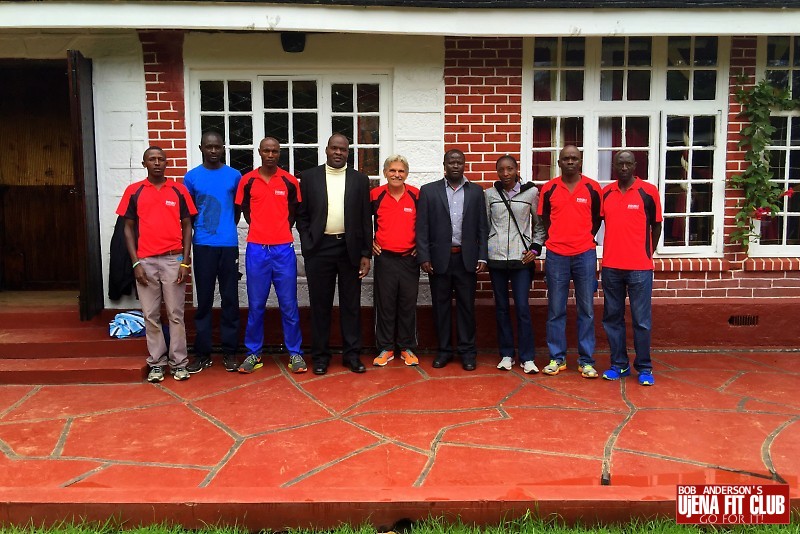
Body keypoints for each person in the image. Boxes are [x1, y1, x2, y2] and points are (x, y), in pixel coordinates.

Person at [117, 146, 197, 383]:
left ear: (166, 163)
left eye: (161, 159)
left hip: (174, 259)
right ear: (144, 164)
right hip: (146, 261)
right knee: (151, 314)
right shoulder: (134, 191)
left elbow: (188, 225)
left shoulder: (179, 190)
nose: (157, 163)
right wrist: (135, 264)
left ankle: (179, 363)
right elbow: (127, 228)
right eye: (152, 159)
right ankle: (157, 363)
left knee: (175, 314)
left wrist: (185, 262)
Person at [295, 133, 372, 375]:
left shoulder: (360, 180)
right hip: (319, 249)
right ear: (326, 149)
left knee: (351, 305)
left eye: (343, 149)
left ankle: (352, 355)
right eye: (334, 148)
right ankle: (320, 357)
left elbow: (365, 218)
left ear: (348, 152)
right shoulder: (309, 177)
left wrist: (366, 253)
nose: (338, 152)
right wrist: (308, 243)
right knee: (320, 305)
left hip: (350, 249)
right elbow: (302, 215)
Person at [235, 137, 305, 374]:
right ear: (259, 152)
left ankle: (295, 353)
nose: (271, 155)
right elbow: (245, 210)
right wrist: (262, 230)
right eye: (266, 151)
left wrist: (279, 231)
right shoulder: (247, 181)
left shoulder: (289, 181)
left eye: (275, 151)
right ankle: (253, 353)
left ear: (279, 153)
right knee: (256, 305)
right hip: (257, 249)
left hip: (283, 249)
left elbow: (293, 211)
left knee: (289, 304)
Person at [416, 149, 488, 371]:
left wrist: (482, 255)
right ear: (444, 165)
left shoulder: (476, 192)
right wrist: (424, 256)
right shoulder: (428, 191)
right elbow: (422, 227)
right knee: (441, 308)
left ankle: (468, 353)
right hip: (439, 260)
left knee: (467, 308)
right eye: (451, 162)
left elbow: (482, 227)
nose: (455, 165)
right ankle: (444, 351)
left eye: (459, 162)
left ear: (464, 164)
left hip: (466, 260)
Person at [537, 145, 603, 379]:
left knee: (586, 309)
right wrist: (558, 237)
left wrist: (583, 237)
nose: (570, 162)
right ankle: (557, 358)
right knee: (556, 309)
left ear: (581, 161)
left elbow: (597, 219)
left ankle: (586, 361)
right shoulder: (549, 188)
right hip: (557, 255)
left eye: (575, 158)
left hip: (585, 254)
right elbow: (545, 218)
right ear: (559, 162)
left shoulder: (593, 188)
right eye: (566, 158)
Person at [600, 151, 662, 386]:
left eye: (628, 163)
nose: (624, 167)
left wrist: (647, 252)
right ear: (614, 166)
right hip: (611, 266)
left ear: (635, 165)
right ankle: (619, 364)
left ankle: (644, 367)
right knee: (612, 318)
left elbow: (657, 225)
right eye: (620, 164)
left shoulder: (649, 192)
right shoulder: (606, 193)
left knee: (641, 321)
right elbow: (597, 222)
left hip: (640, 268)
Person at [183, 131, 242, 373]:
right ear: (201, 148)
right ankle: (203, 354)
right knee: (204, 300)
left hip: (228, 245)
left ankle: (230, 352)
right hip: (203, 245)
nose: (214, 151)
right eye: (209, 147)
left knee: (230, 299)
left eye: (217, 147)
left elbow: (237, 210)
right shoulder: (191, 177)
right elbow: (189, 214)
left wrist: (225, 229)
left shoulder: (234, 176)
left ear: (223, 148)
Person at [484, 155, 546, 374]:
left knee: (522, 308)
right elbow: (485, 225)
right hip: (497, 258)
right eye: (501, 169)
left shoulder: (531, 193)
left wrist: (535, 249)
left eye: (510, 169)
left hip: (521, 259)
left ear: (516, 169)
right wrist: (487, 250)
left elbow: (539, 226)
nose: (506, 173)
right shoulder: (489, 195)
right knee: (501, 308)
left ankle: (527, 357)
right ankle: (507, 354)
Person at [371, 155, 420, 367]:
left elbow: (425, 223)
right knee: (385, 304)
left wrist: (421, 245)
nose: (396, 175)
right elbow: (361, 220)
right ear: (385, 173)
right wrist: (369, 242)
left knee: (407, 304)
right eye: (392, 170)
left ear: (406, 174)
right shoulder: (376, 195)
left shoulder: (416, 195)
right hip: (385, 258)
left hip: (410, 259)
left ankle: (407, 347)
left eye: (401, 171)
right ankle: (386, 348)